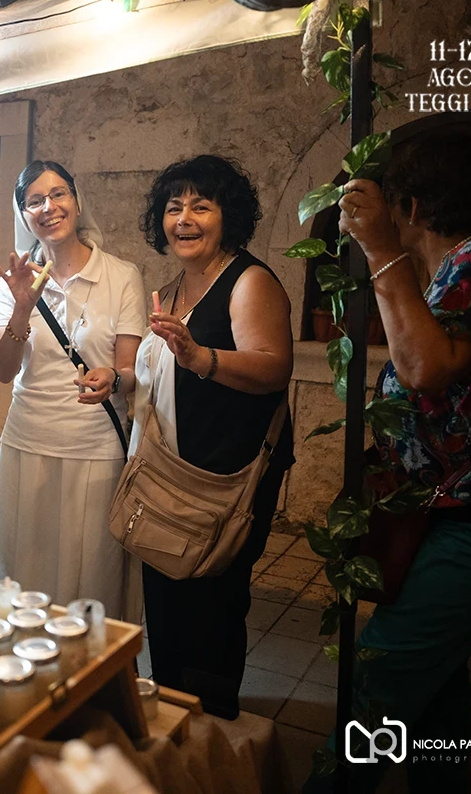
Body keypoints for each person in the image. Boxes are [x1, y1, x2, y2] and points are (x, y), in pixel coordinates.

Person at [305, 134, 471, 793]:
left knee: (383, 671)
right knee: (437, 675)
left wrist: (379, 250)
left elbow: (424, 368)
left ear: (411, 207)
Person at [133, 155, 294, 719]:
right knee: (166, 603)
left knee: (210, 611)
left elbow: (273, 367)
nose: (184, 218)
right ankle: (172, 713)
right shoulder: (175, 287)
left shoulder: (249, 281)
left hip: (224, 478)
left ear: (229, 217)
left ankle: (211, 726)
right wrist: (120, 377)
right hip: (171, 474)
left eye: (201, 206)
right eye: (174, 207)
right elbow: (162, 372)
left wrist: (201, 357)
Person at [0, 160, 147, 620]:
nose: (48, 207)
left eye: (58, 194)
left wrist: (113, 378)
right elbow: (2, 370)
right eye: (34, 201)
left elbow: (131, 371)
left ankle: (88, 657)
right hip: (28, 442)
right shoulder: (15, 281)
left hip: (95, 447)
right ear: (23, 215)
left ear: (76, 201)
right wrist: (21, 308)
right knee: (24, 568)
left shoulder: (121, 276)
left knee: (90, 572)